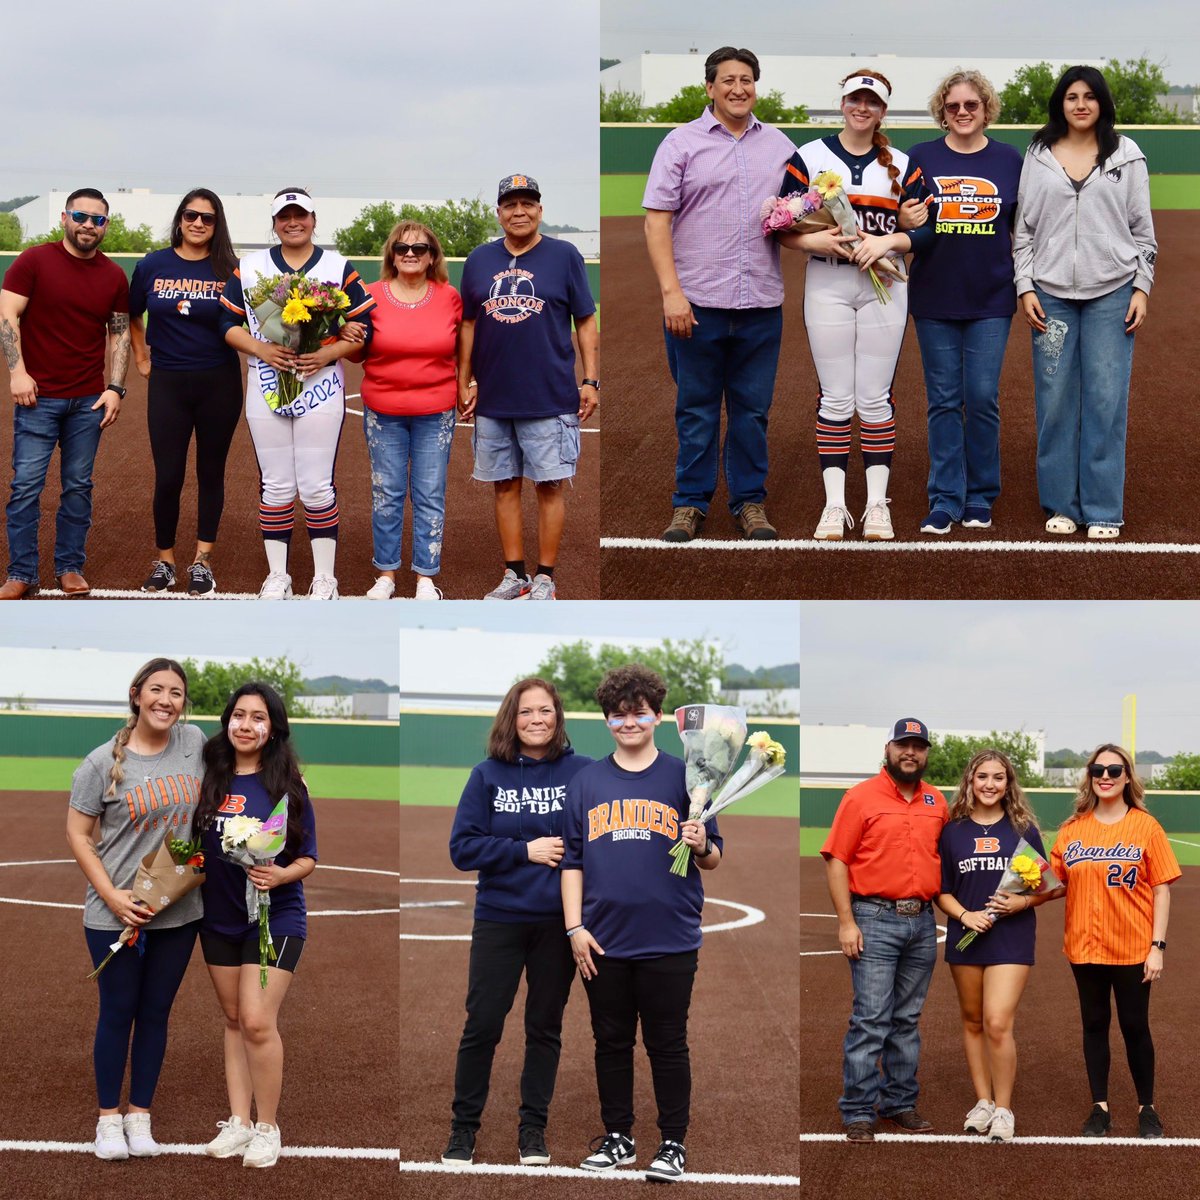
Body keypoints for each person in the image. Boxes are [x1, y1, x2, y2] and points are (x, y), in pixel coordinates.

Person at [562, 664, 722, 1184]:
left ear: (657, 715)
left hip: (669, 936)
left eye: (638, 713)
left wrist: (701, 843)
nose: (628, 723)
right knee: (610, 1041)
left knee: (667, 1042)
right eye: (617, 715)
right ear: (606, 719)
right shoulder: (586, 780)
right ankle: (619, 1137)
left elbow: (714, 855)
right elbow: (573, 862)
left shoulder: (687, 776)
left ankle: (673, 1142)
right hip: (602, 938)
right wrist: (573, 928)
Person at [644, 46, 797, 543]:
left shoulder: (778, 145)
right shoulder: (680, 143)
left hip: (759, 305)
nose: (738, 88)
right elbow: (657, 220)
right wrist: (672, 293)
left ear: (757, 86)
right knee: (697, 410)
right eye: (727, 79)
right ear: (709, 87)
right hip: (697, 306)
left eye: (747, 79)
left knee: (752, 413)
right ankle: (689, 503)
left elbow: (800, 215)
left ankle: (749, 502)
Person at [443, 678, 593, 1167]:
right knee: (482, 1024)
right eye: (526, 711)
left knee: (544, 1027)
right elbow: (461, 849)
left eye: (545, 711)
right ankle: (463, 1129)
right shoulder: (487, 775)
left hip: (558, 925)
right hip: (500, 920)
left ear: (558, 716)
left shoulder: (584, 773)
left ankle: (533, 1130)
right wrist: (522, 851)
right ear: (512, 718)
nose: (536, 720)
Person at [777, 72, 932, 542]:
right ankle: (834, 505)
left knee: (874, 398)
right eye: (854, 99)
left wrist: (889, 241)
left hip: (884, 281)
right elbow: (781, 225)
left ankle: (877, 505)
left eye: (872, 102)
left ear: (883, 110)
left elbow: (928, 230)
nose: (862, 107)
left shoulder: (902, 164)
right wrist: (814, 239)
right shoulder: (808, 157)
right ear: (842, 102)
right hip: (827, 280)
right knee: (837, 398)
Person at [65, 658, 203, 1160]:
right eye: (157, 690)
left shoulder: (194, 745)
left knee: (155, 1014)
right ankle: (107, 1121)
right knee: (118, 1012)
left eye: (177, 693)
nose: (167, 700)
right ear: (136, 695)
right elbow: (78, 835)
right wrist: (112, 896)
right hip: (116, 914)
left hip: (178, 914)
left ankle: (140, 1116)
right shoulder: (102, 762)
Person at [1013, 66, 1156, 540]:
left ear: (1102, 104)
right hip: (1051, 296)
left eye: (1089, 96)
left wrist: (1142, 287)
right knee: (1054, 401)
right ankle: (1061, 503)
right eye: (1071, 96)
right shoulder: (1038, 154)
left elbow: (1142, 230)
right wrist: (1026, 285)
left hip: (1112, 293)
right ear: (1060, 103)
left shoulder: (1127, 154)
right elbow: (1025, 231)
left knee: (1105, 400)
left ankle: (1102, 508)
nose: (1080, 104)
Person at [219, 187, 375, 599]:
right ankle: (279, 576)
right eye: (284, 216)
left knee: (317, 485)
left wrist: (329, 354)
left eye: (300, 214)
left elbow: (365, 330)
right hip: (266, 382)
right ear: (274, 223)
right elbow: (225, 324)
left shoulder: (338, 266)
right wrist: (262, 348)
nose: (293, 222)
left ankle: (326, 577)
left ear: (313, 219)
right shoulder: (249, 267)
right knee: (276, 484)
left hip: (321, 387)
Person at [192, 682, 318, 1168]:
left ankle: (267, 1127)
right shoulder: (211, 776)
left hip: (276, 916)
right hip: (219, 917)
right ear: (228, 720)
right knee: (232, 1020)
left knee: (259, 1020)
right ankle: (238, 1121)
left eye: (258, 717)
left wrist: (279, 872)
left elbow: (308, 858)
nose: (246, 725)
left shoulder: (286, 782)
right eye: (239, 715)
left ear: (273, 728)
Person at [458, 174, 598, 600]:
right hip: (495, 398)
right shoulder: (480, 260)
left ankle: (545, 578)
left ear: (539, 209)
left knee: (550, 485)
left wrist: (590, 379)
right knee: (504, 484)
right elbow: (467, 323)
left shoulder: (564, 255)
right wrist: (464, 379)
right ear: (499, 212)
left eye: (527, 203)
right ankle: (514, 574)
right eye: (510, 204)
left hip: (550, 394)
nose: (519, 211)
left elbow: (585, 319)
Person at [899, 71, 1023, 535]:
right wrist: (902, 217)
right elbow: (907, 221)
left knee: (982, 397)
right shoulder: (922, 157)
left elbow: (1026, 227)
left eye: (972, 104)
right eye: (954, 106)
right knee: (944, 400)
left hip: (991, 297)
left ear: (986, 108)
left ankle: (980, 494)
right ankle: (946, 496)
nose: (963, 112)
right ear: (942, 111)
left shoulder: (1010, 160)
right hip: (934, 296)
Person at [820, 717, 947, 1142]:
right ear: (888, 749)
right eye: (903, 745)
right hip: (874, 918)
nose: (910, 752)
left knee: (907, 1020)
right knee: (871, 1019)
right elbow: (837, 859)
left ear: (926, 753)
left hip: (923, 923)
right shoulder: (860, 798)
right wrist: (845, 922)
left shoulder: (937, 802)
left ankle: (899, 1103)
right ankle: (858, 1110)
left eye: (918, 746)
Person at [0, 187, 130, 598]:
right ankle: (21, 573)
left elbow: (120, 334)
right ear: (64, 218)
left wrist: (115, 389)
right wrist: (17, 372)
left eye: (98, 219)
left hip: (87, 402)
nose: (89, 225)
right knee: (26, 486)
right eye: (81, 216)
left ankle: (70, 567)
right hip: (38, 398)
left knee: (78, 485)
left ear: (106, 226)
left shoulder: (112, 275)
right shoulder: (33, 261)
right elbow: (7, 314)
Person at [1050, 744, 1179, 1138]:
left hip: (1131, 946)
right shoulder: (1073, 828)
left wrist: (1157, 947)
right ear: (1089, 775)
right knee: (1093, 1024)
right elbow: (1055, 882)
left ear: (1127, 777)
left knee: (1135, 1025)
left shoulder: (1146, 826)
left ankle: (1147, 1107)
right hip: (1084, 946)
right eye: (1097, 769)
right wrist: (1019, 895)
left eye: (1114, 769)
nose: (1105, 776)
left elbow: (1161, 889)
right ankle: (1100, 1107)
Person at [935, 749, 1061, 1143]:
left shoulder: (1023, 829)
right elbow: (941, 890)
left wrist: (1022, 901)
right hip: (967, 936)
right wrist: (963, 916)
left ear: (1009, 784)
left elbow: (1049, 887)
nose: (990, 784)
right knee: (972, 1021)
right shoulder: (952, 830)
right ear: (970, 781)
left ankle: (1004, 1109)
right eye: (982, 776)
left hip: (1012, 936)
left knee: (996, 1021)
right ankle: (983, 1101)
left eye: (998, 777)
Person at [130, 188, 241, 595]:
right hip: (168, 384)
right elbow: (130, 314)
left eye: (208, 218)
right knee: (168, 476)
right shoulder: (151, 265)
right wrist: (142, 360)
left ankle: (202, 562)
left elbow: (258, 322)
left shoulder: (231, 269)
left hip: (219, 382)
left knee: (210, 473)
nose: (198, 223)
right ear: (180, 218)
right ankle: (165, 561)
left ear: (217, 224)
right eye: (191, 215)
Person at [356, 221, 462, 601]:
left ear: (433, 256)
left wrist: (471, 383)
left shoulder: (449, 296)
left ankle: (425, 578)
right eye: (402, 248)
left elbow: (462, 347)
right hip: (383, 411)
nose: (411, 254)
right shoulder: (370, 295)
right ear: (392, 256)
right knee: (387, 493)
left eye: (420, 248)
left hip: (436, 411)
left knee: (430, 492)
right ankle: (385, 574)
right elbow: (355, 352)